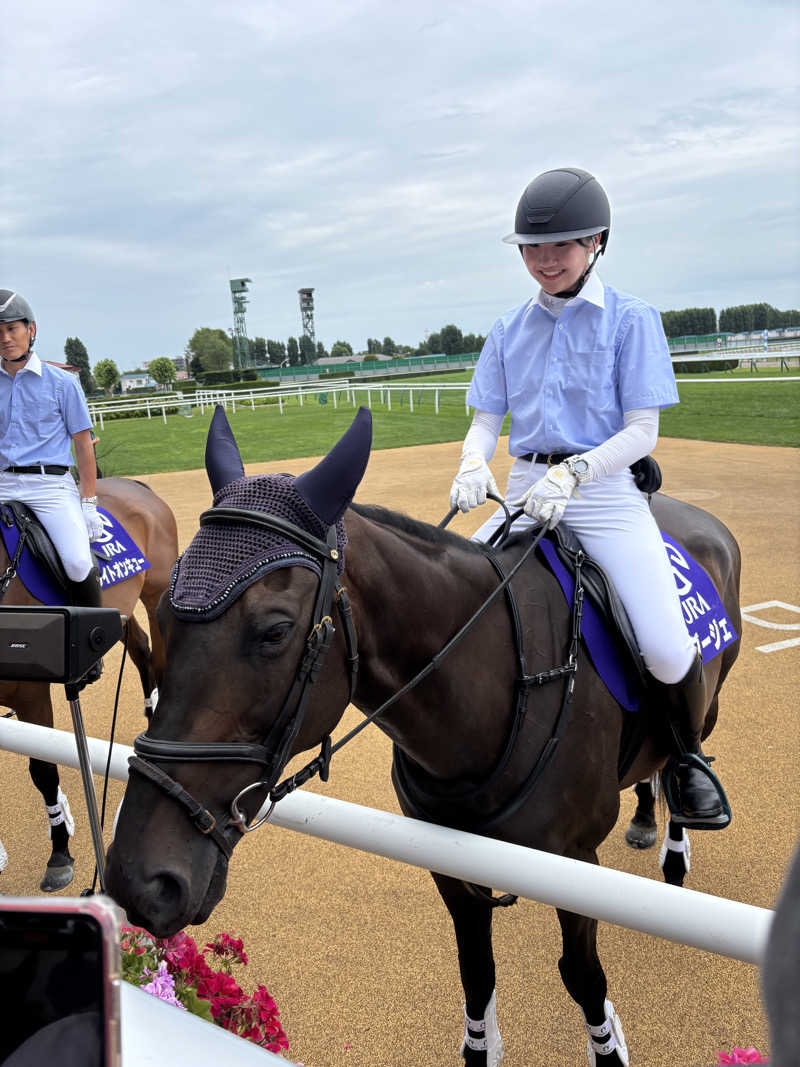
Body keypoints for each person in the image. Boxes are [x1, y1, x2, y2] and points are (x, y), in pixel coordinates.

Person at [449, 167, 725, 827]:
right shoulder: (508, 328)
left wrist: (573, 475)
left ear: (596, 241)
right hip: (523, 490)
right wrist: (469, 459)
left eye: (561, 246)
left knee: (662, 642)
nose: (545, 260)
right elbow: (488, 417)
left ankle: (687, 759)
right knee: (458, 612)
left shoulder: (632, 320)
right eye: (533, 248)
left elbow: (642, 431)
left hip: (601, 495)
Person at [0, 289, 104, 678]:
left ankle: (92, 645)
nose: (6, 338)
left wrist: (88, 501)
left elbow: (82, 445)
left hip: (49, 486)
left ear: (31, 330)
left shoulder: (62, 384)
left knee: (78, 561)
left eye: (12, 328)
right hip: (3, 483)